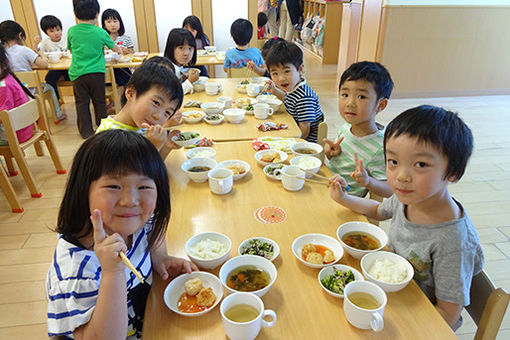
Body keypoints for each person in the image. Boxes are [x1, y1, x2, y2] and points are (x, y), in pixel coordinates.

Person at [329, 105, 484, 330]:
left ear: (453, 173)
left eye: (420, 164)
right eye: (393, 161)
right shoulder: (410, 198)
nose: (401, 177)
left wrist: (396, 322)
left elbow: (448, 316)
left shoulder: (454, 242)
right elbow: (377, 210)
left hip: (417, 319)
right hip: (390, 291)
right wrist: (343, 198)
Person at [46, 129, 198, 338]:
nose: (130, 201)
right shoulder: (77, 272)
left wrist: (160, 257)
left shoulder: (132, 222)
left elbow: (151, 225)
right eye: (113, 186)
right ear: (83, 189)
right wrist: (112, 272)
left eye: (144, 186)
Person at [324, 61, 394, 198]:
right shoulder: (346, 128)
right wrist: (331, 154)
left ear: (380, 105)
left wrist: (368, 182)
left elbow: (390, 190)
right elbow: (339, 164)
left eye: (361, 97)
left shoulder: (381, 147)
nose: (350, 103)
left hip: (345, 203)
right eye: (345, 95)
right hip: (326, 187)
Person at [96, 58, 183, 159]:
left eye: (167, 113)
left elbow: (155, 167)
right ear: (131, 93)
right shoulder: (108, 136)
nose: (158, 116)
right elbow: (135, 173)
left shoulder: (140, 127)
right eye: (156, 103)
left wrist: (167, 146)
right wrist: (152, 147)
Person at [67, 0, 121, 138]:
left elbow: (71, 51)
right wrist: (119, 50)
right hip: (96, 73)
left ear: (74, 14)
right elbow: (114, 48)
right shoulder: (100, 32)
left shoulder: (71, 31)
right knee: (99, 101)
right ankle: (102, 128)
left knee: (82, 103)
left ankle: (86, 132)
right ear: (97, 14)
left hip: (78, 73)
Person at [0, 20, 65, 122]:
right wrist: (42, 54)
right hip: (30, 90)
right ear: (20, 35)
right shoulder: (24, 50)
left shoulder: (2, 53)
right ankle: (58, 115)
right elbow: (44, 64)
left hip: (15, 91)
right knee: (50, 87)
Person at [263, 40, 323, 142]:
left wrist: (285, 141)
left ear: (300, 69)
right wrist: (274, 91)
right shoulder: (294, 87)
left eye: (286, 71)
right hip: (294, 129)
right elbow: (288, 99)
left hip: (305, 145)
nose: (281, 78)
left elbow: (304, 132)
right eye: (275, 73)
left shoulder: (304, 97)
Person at [0, 44, 35, 144]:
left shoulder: (3, 86)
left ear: (5, 64)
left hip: (15, 135)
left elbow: (3, 116)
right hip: (25, 127)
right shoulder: (9, 78)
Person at [33, 15, 70, 107]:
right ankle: (56, 100)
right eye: (51, 31)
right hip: (55, 68)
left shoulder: (67, 39)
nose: (56, 33)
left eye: (58, 30)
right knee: (49, 78)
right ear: (46, 33)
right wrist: (36, 43)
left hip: (69, 67)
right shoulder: (45, 42)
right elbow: (36, 51)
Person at [101, 8, 134, 87]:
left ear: (120, 23)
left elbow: (132, 53)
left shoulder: (126, 38)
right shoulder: (103, 39)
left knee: (124, 74)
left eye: (115, 21)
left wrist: (127, 51)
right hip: (108, 69)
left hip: (123, 68)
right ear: (104, 25)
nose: (112, 25)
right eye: (109, 22)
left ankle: (126, 93)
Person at [163, 28, 198, 95]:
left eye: (190, 48)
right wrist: (189, 81)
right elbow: (172, 94)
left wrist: (183, 78)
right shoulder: (167, 69)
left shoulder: (178, 66)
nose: (186, 53)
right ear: (171, 48)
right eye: (181, 48)